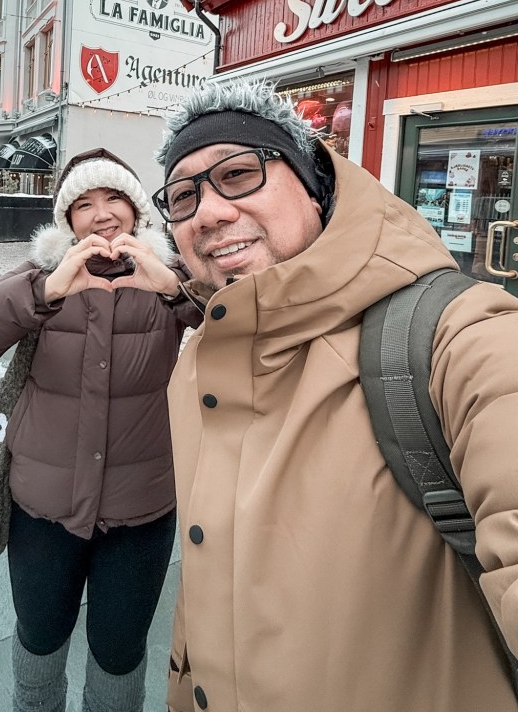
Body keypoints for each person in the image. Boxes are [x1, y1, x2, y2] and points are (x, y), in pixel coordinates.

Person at [150, 80, 518, 712]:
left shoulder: (456, 337)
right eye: (183, 197)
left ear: (315, 187)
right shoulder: (196, 365)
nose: (207, 213)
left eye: (237, 174)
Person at [0, 149, 201, 712]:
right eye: (84, 204)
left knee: (119, 651)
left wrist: (176, 292)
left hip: (142, 508)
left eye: (114, 198)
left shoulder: (172, 278)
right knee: (40, 637)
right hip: (43, 508)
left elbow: (249, 329)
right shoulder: (40, 278)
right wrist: (42, 293)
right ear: (67, 219)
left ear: (136, 209)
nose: (102, 213)